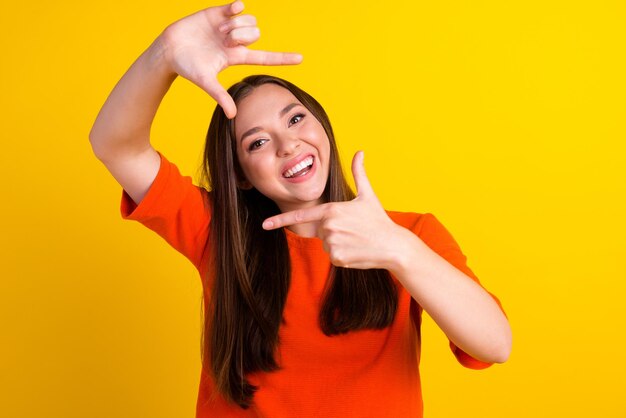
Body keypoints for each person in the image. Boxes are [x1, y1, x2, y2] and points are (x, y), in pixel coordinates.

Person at [89, 1, 512, 417]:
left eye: (295, 119)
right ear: (240, 175)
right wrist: (164, 54)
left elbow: (495, 344)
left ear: (321, 125)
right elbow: (115, 146)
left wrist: (397, 250)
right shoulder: (218, 233)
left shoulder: (410, 234)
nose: (288, 144)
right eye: (257, 142)